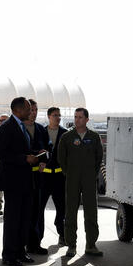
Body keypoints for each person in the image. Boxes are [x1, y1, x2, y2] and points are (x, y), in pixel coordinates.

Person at [0, 97, 39, 266]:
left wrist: (36, 153)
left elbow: (22, 149)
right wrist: (24, 158)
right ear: (18, 110)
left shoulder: (22, 127)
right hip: (13, 183)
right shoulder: (7, 127)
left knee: (24, 219)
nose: (31, 112)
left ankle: (21, 252)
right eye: (28, 109)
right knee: (13, 220)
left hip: (25, 182)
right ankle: (9, 255)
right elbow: (1, 153)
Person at [58, 108, 103, 257]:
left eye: (80, 117)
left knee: (91, 212)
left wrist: (91, 173)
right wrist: (69, 172)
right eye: (75, 117)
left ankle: (91, 245)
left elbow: (99, 158)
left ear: (87, 120)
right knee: (70, 212)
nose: (77, 120)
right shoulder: (67, 137)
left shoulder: (94, 137)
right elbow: (61, 158)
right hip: (72, 179)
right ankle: (71, 245)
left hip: (89, 180)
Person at [39, 107, 67, 247]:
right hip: (44, 178)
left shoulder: (65, 134)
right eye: (55, 115)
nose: (58, 117)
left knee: (62, 208)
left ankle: (62, 235)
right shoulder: (42, 132)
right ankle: (37, 239)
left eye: (59, 115)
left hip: (59, 177)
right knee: (39, 208)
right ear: (49, 116)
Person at [24, 99, 49, 255]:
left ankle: (35, 244)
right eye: (31, 109)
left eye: (36, 110)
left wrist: (44, 160)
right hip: (22, 177)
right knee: (23, 213)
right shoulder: (19, 128)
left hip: (38, 178)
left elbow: (48, 147)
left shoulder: (40, 129)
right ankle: (22, 245)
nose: (34, 112)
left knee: (37, 212)